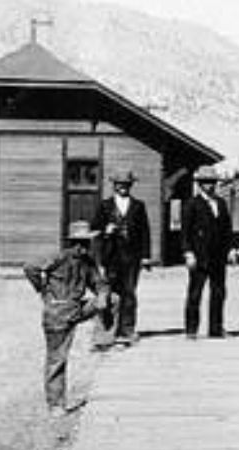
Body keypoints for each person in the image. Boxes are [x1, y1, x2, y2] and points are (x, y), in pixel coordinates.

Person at [24, 220, 108, 410]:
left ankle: (103, 341)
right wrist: (43, 290)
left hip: (77, 309)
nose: (83, 247)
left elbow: (100, 283)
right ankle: (56, 404)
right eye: (79, 243)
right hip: (57, 313)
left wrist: (102, 295)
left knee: (114, 300)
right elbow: (30, 267)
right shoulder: (57, 257)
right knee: (57, 359)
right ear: (71, 243)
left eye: (86, 243)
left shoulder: (87, 261)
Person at [90, 167, 151, 349]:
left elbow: (145, 232)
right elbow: (94, 228)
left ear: (131, 185)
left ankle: (128, 329)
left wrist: (146, 257)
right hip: (111, 256)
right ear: (114, 186)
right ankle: (110, 330)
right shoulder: (105, 205)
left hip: (132, 257)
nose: (123, 187)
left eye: (126, 184)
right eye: (119, 184)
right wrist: (105, 231)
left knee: (130, 293)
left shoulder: (138, 206)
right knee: (110, 294)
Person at [181, 164, 231, 339]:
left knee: (219, 292)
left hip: (218, 256)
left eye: (212, 182)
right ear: (200, 184)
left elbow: (227, 230)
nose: (209, 185)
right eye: (205, 182)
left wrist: (230, 249)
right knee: (195, 293)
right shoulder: (192, 204)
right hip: (199, 256)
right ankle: (191, 329)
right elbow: (185, 231)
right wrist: (188, 252)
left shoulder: (221, 203)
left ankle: (216, 328)